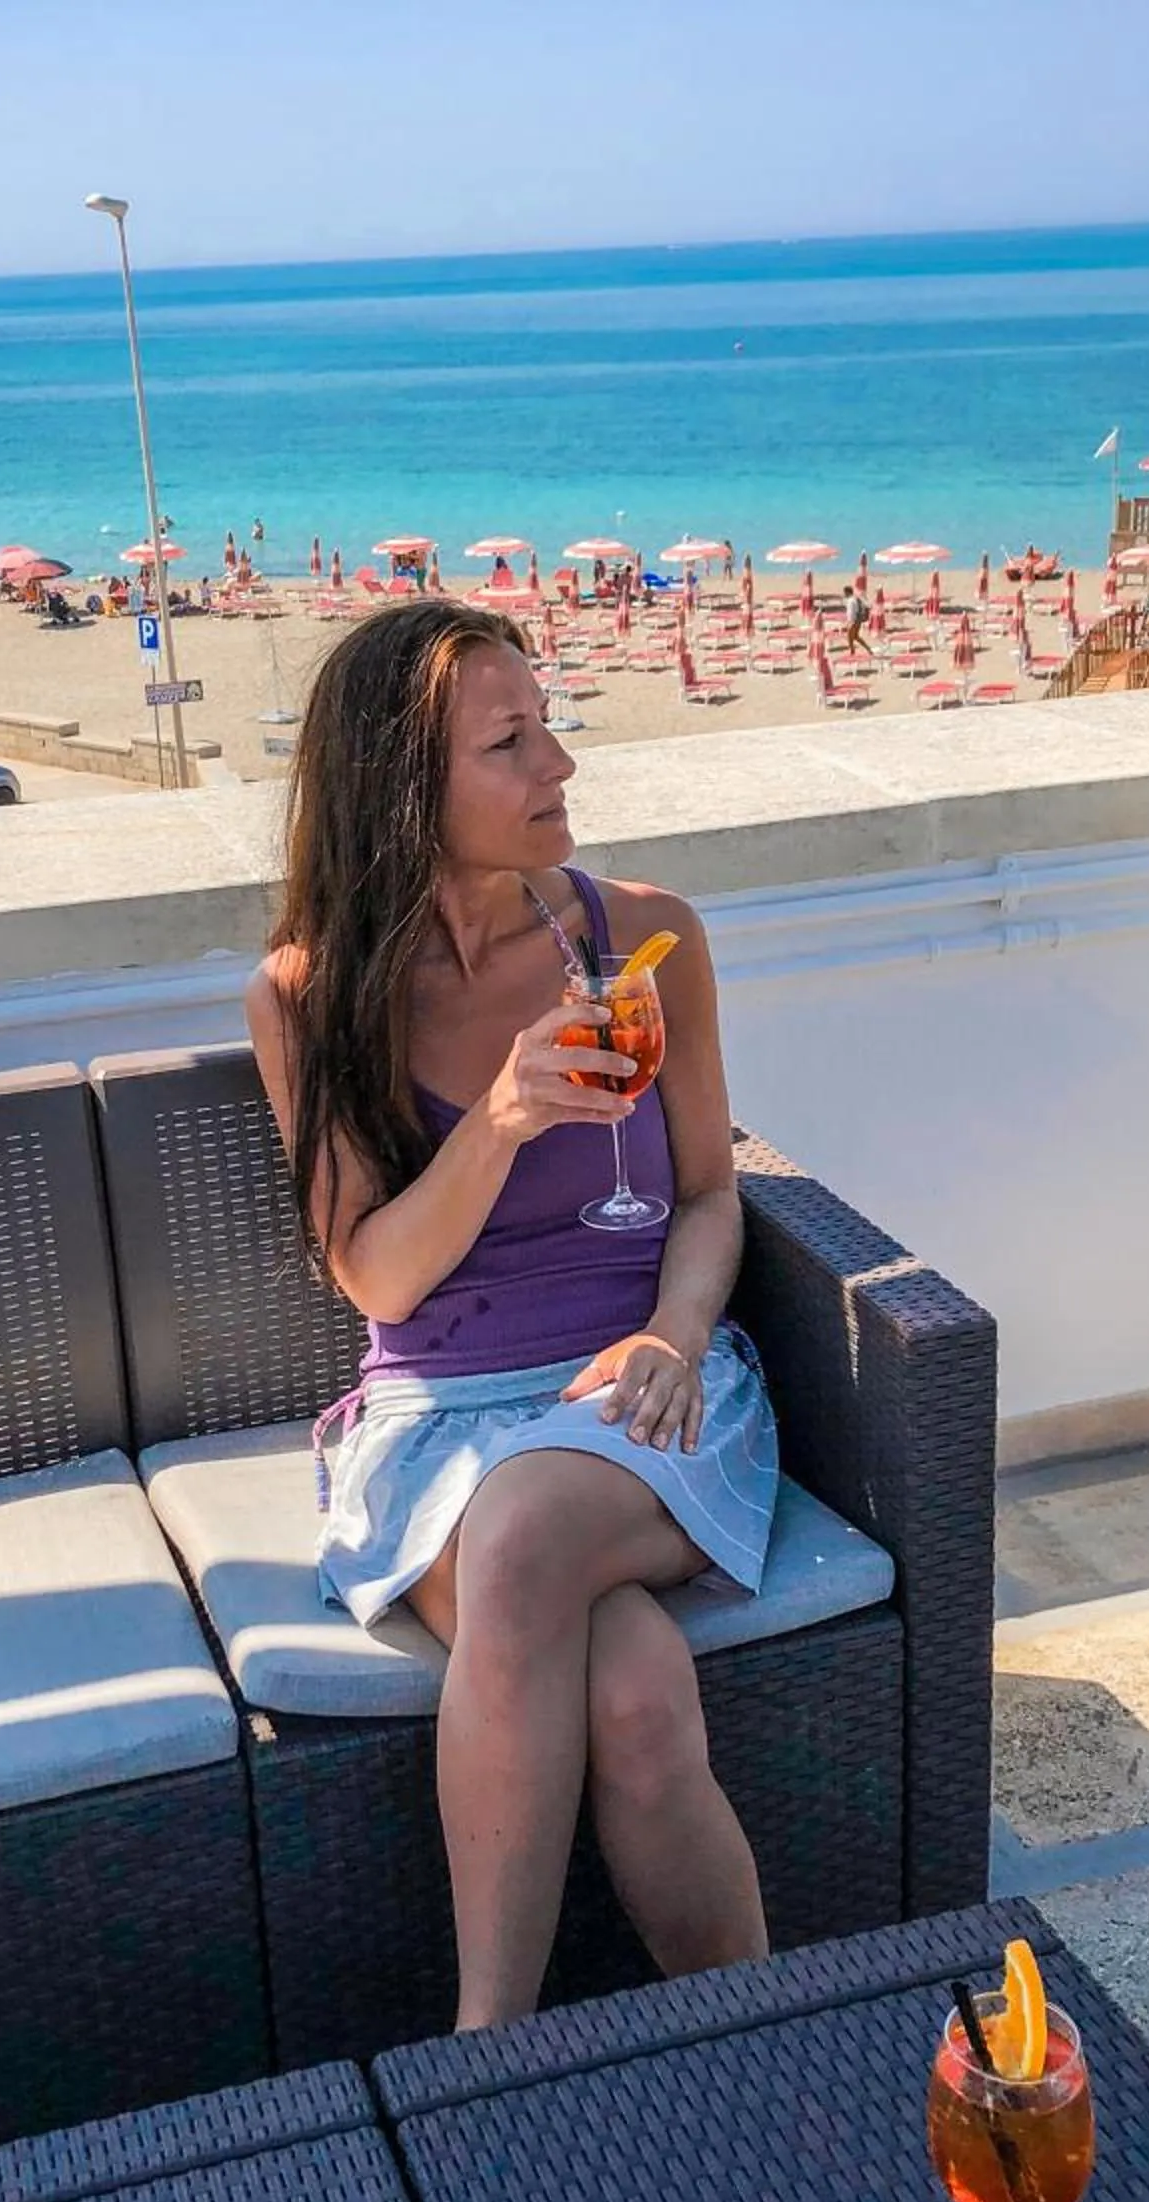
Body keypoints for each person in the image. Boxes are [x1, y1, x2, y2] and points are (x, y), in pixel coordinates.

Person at [247, 601, 777, 2032]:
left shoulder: (648, 937)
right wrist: (499, 1117)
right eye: (512, 740)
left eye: (549, 726)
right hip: (436, 1420)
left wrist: (673, 1329)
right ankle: (768, 2053)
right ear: (403, 787)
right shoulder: (307, 998)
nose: (560, 766)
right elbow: (380, 1282)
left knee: (534, 1526)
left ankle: (486, 2053)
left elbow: (715, 1194)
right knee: (635, 1691)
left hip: (645, 1387)